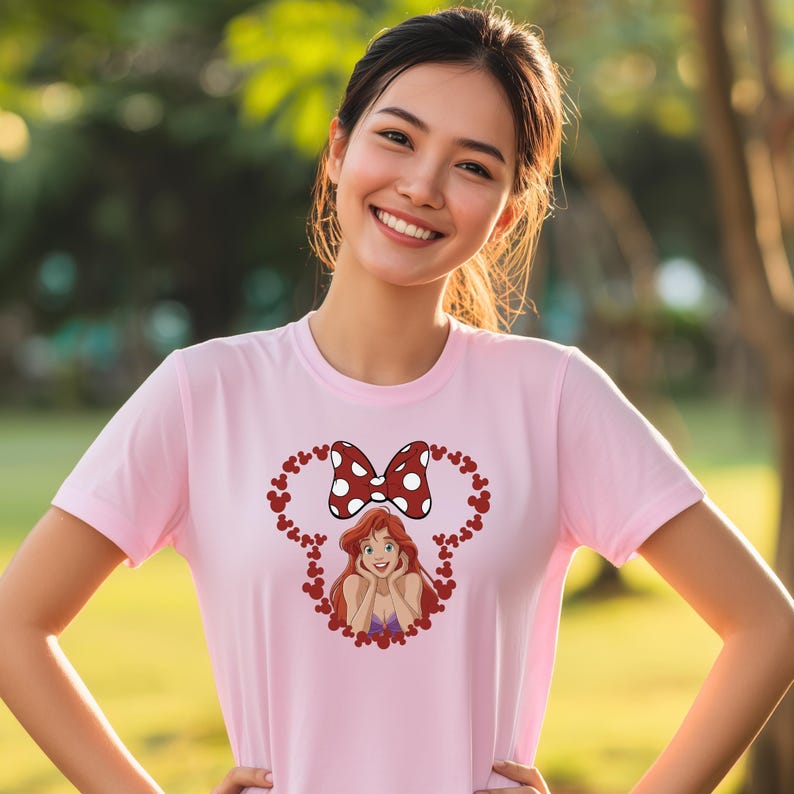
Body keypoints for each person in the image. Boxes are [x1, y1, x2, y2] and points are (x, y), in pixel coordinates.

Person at [0, 5, 793, 794]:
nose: (421, 186)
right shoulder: (204, 393)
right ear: (338, 149)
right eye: (398, 138)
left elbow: (767, 628)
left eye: (473, 167)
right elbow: (14, 626)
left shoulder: (553, 398)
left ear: (507, 214)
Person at [329, 505, 441, 639]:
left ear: (400, 550)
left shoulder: (411, 581)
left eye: (388, 547)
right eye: (368, 550)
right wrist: (372, 584)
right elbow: (356, 633)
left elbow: (413, 629)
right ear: (360, 556)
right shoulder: (353, 583)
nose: (378, 557)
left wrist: (392, 584)